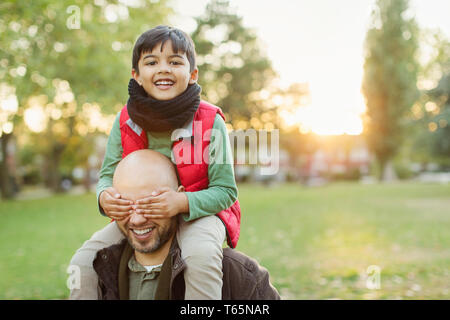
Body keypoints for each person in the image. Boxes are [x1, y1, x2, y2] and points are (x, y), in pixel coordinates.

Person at [69, 25, 240, 300]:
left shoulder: (211, 121)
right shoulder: (125, 120)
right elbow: (106, 175)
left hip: (198, 214)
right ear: (136, 75)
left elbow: (226, 191)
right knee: (83, 261)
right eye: (151, 62)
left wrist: (181, 203)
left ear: (192, 74)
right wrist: (104, 197)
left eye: (175, 62)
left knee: (201, 256)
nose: (163, 69)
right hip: (140, 213)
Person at [93, 149, 279, 300]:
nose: (137, 219)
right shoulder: (97, 273)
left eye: (150, 204)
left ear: (178, 196)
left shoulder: (238, 275)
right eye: (125, 205)